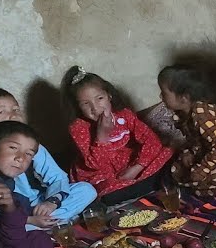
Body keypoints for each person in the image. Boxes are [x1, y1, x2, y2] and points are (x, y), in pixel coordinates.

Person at [0, 86, 96, 229]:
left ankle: (43, 224)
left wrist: (52, 202)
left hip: (37, 203)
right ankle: (45, 224)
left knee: (86, 190)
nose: (13, 116)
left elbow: (57, 178)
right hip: (8, 210)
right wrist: (28, 219)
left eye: (16, 110)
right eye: (1, 112)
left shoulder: (31, 143)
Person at [63, 66, 172, 203]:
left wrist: (138, 166)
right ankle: (143, 185)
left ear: (109, 96)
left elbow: (151, 140)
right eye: (86, 104)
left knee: (169, 155)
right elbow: (95, 165)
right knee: (106, 195)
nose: (95, 108)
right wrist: (101, 136)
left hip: (130, 163)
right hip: (102, 173)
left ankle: (145, 182)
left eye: (100, 98)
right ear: (78, 107)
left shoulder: (124, 115)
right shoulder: (78, 128)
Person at [157, 65, 216, 196]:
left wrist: (202, 169)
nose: (160, 96)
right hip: (212, 149)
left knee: (204, 179)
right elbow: (196, 139)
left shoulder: (202, 114)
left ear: (183, 98)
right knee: (178, 167)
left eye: (164, 93)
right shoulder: (182, 113)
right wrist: (190, 152)